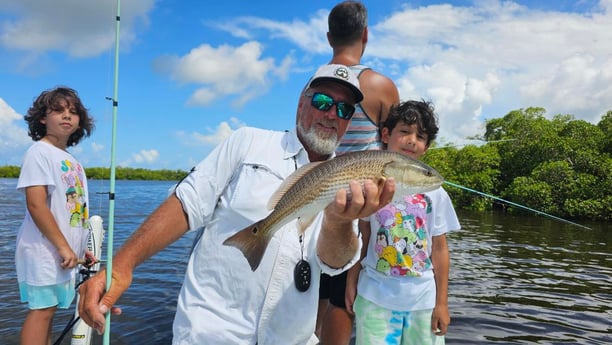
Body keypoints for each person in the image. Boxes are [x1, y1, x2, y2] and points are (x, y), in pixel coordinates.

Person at [77, 64, 397, 345]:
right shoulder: (248, 143)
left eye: (344, 110)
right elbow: (187, 203)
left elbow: (334, 263)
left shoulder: (351, 177)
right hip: (211, 333)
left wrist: (339, 222)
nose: (332, 114)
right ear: (301, 103)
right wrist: (123, 264)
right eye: (323, 101)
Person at [317, 1, 400, 343]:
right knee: (342, 301)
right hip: (356, 210)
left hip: (317, 198)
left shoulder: (314, 83)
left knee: (317, 292)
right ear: (366, 34)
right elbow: (398, 147)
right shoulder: (380, 85)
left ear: (329, 37)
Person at [345, 100, 461, 345]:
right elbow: (363, 239)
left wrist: (441, 303)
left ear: (426, 147)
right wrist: (351, 281)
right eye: (405, 132)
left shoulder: (435, 192)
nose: (412, 140)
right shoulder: (370, 185)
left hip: (424, 302)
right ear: (386, 135)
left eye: (421, 136)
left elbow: (439, 250)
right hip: (374, 296)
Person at [16, 86, 95, 344]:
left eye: (73, 112)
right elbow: (36, 205)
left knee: (49, 313)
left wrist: (81, 251)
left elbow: (75, 212)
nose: (67, 116)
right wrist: (62, 246)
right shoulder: (38, 152)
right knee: (41, 311)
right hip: (44, 249)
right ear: (42, 118)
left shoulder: (72, 161)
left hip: (64, 252)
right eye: (58, 110)